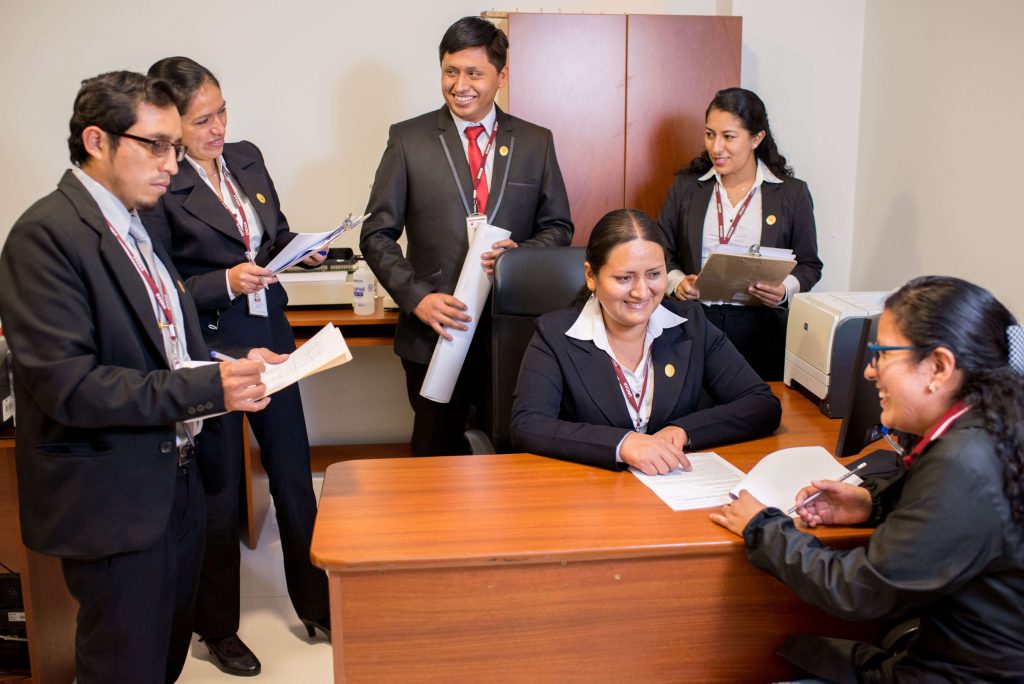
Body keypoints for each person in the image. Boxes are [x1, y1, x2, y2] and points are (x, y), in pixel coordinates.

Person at [0, 71, 279, 684]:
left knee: (161, 662)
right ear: (96, 141)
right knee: (123, 666)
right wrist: (213, 389)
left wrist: (225, 366)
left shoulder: (136, 224)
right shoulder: (46, 236)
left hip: (173, 480)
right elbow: (70, 386)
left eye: (175, 147)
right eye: (155, 145)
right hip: (114, 494)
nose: (172, 165)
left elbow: (162, 349)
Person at [711, 276, 1024, 682]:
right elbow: (962, 521)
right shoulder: (992, 429)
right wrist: (871, 503)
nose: (868, 371)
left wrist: (762, 527)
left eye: (880, 354)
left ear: (940, 368)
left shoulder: (962, 462)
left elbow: (861, 590)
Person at [140, 57, 329, 676]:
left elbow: (268, 237)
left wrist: (298, 251)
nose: (218, 127)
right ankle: (217, 627)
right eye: (202, 120)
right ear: (171, 123)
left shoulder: (246, 157)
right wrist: (222, 281)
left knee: (295, 478)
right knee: (219, 493)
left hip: (271, 334)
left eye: (222, 110)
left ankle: (318, 603)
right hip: (213, 347)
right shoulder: (162, 184)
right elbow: (161, 291)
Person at [360, 16, 573, 456]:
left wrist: (521, 257)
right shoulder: (408, 139)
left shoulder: (536, 142)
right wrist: (417, 297)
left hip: (513, 334)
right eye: (450, 71)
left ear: (501, 76)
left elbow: (558, 228)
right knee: (436, 460)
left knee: (515, 460)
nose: (461, 85)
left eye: (474, 73)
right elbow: (376, 234)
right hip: (434, 332)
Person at [509, 209, 782, 473]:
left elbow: (762, 404)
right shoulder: (556, 334)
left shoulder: (691, 325)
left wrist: (683, 431)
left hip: (672, 491)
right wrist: (622, 444)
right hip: (592, 496)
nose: (641, 292)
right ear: (591, 276)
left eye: (654, 274)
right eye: (625, 277)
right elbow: (528, 425)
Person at [657, 87, 822, 381]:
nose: (716, 147)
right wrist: (677, 281)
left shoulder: (791, 194)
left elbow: (810, 265)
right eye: (710, 134)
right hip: (694, 322)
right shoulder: (686, 187)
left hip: (761, 329)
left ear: (757, 138)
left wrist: (784, 290)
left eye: (728, 137)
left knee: (756, 412)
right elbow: (660, 251)